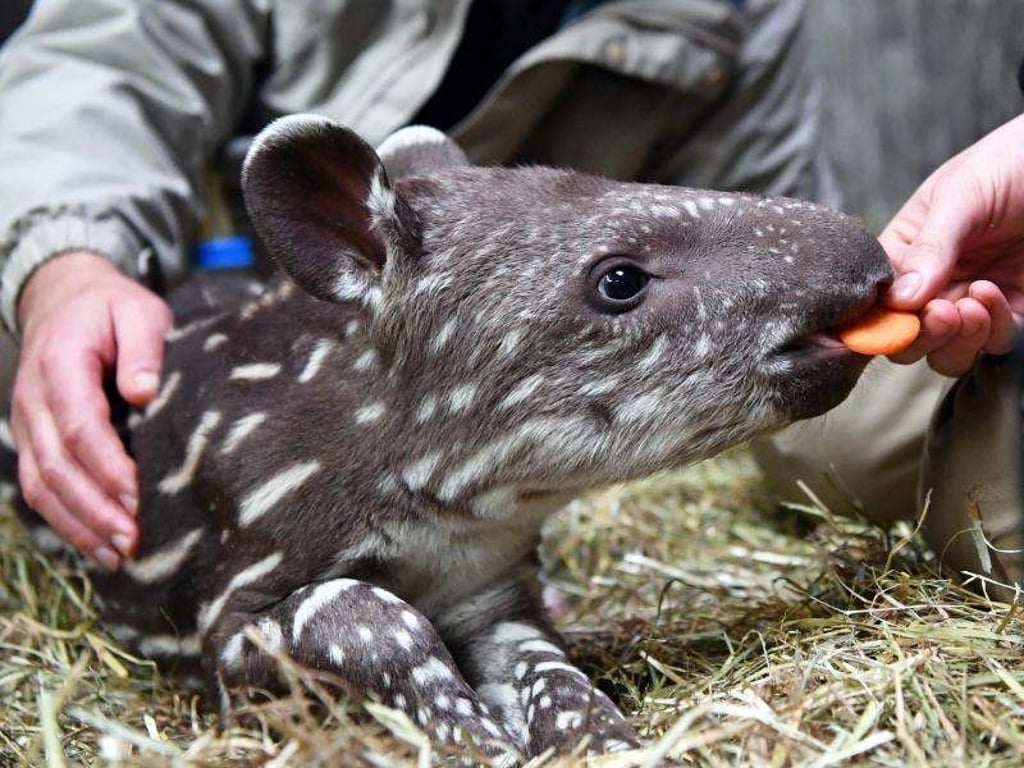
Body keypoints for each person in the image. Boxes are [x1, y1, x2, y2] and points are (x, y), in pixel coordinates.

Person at [0, 0, 1020, 592]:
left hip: (553, 390)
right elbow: (100, 65)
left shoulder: (728, 17)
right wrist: (66, 260)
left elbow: (746, 227)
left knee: (883, 421)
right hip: (226, 325)